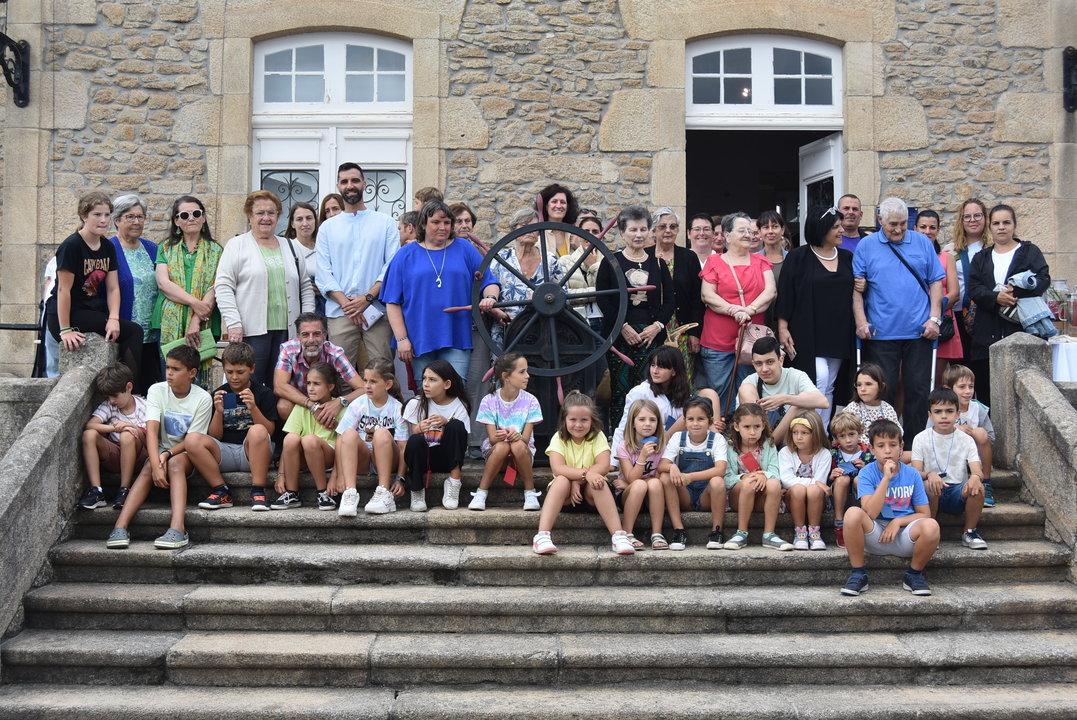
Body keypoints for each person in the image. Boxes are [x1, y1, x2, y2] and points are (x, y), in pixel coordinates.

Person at [853, 196, 944, 448]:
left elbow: (936, 281)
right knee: (884, 393)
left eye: (903, 223)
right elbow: (856, 289)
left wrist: (934, 319)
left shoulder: (922, 243)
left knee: (918, 391)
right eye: (893, 223)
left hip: (919, 332)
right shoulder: (866, 246)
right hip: (880, 334)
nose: (898, 229)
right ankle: (883, 446)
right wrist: (861, 322)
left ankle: (914, 449)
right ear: (880, 219)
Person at [105, 344, 212, 550]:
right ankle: (120, 526)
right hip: (160, 449)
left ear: (192, 373)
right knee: (147, 467)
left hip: (186, 451)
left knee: (175, 464)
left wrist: (167, 456)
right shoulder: (156, 390)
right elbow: (151, 431)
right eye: (168, 367)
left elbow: (192, 439)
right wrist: (155, 463)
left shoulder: (202, 398)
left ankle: (178, 529)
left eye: (176, 369)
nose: (169, 373)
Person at [382, 200, 500, 382]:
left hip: (456, 336)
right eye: (436, 222)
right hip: (418, 337)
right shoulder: (405, 255)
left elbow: (488, 281)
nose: (442, 227)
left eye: (446, 223)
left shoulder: (465, 249)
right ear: (423, 224)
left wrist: (490, 297)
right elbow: (392, 302)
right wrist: (402, 339)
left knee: (455, 390)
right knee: (426, 394)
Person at [215, 190, 315, 389]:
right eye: (260, 213)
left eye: (271, 213)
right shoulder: (237, 245)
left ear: (278, 215)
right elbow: (224, 286)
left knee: (282, 386)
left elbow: (305, 286)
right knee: (248, 385)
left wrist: (307, 322)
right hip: (251, 332)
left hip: (287, 333)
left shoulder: (290, 246)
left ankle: (274, 421)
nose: (266, 218)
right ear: (250, 216)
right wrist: (233, 323)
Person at [47, 191, 144, 380]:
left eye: (107, 215)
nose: (103, 220)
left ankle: (124, 389)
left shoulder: (107, 247)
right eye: (97, 215)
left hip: (89, 310)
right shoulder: (72, 245)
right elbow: (62, 290)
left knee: (127, 330)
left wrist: (114, 318)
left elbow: (112, 288)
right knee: (133, 331)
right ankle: (126, 388)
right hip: (65, 314)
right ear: (84, 216)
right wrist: (65, 329)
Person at [840, 419, 941, 597]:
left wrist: (898, 521)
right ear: (872, 449)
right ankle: (858, 573)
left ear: (901, 447)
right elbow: (870, 512)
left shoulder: (912, 474)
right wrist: (886, 479)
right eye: (881, 445)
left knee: (932, 526)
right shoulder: (866, 473)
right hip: (875, 534)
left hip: (904, 535)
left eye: (893, 445)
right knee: (852, 514)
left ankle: (914, 574)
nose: (887, 450)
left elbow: (925, 514)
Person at [776, 205, 856, 428]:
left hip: (839, 332)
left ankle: (822, 434)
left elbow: (857, 290)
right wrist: (782, 328)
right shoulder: (798, 257)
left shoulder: (848, 257)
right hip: (808, 332)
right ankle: (808, 430)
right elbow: (785, 293)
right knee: (817, 380)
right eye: (836, 227)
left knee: (829, 385)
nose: (842, 230)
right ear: (822, 229)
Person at [316, 162, 400, 371]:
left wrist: (366, 298)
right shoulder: (327, 228)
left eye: (354, 180)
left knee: (383, 371)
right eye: (344, 182)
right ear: (338, 186)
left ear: (364, 183)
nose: (350, 185)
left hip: (376, 310)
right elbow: (323, 272)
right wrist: (347, 304)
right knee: (338, 374)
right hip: (340, 312)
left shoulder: (385, 223)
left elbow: (391, 267)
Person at [596, 205, 674, 430]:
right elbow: (604, 299)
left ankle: (646, 436)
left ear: (650, 231)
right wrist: (623, 326)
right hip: (620, 337)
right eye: (633, 230)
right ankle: (619, 439)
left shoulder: (658, 263)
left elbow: (669, 299)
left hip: (650, 337)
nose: (638, 235)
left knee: (647, 387)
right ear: (622, 233)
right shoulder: (610, 261)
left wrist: (657, 326)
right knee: (620, 388)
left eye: (643, 229)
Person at [968, 203, 1051, 409]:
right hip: (987, 333)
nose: (1001, 227)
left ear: (1014, 225)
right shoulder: (981, 257)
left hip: (1022, 328)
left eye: (1006, 222)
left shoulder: (1030, 251)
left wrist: (1016, 292)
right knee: (988, 394)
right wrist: (996, 297)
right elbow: (974, 288)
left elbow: (1043, 279)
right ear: (990, 227)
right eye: (996, 223)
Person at [533, 391, 635, 555]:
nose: (578, 425)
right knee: (561, 480)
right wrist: (585, 475)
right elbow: (558, 468)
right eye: (573, 419)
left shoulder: (598, 436)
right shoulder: (558, 438)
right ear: (564, 419)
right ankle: (542, 536)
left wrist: (579, 481)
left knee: (598, 482)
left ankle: (618, 535)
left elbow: (603, 465)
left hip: (592, 495)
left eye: (584, 420)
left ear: (592, 420)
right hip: (564, 498)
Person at [699, 213, 776, 415]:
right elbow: (707, 295)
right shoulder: (714, 262)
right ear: (727, 235)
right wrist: (734, 310)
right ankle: (723, 437)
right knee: (721, 393)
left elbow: (770, 292)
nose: (748, 235)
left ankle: (747, 437)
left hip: (752, 343)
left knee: (750, 391)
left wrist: (749, 310)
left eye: (751, 231)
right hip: (718, 341)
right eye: (742, 231)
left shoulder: (761, 261)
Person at [186, 342, 277, 511]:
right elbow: (214, 436)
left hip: (253, 453)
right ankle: (221, 491)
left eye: (240, 372)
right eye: (229, 372)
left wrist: (254, 408)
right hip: (225, 451)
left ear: (252, 369)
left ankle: (258, 490)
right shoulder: (219, 393)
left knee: (257, 430)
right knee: (192, 439)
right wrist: (218, 412)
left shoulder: (264, 393)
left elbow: (269, 432)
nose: (234, 377)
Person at [152, 195, 221, 388]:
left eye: (196, 213)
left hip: (204, 322)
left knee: (197, 380)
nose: (191, 218)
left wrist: (196, 319)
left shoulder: (217, 251)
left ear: (204, 217)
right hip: (169, 322)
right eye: (184, 215)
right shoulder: (165, 248)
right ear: (176, 221)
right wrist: (195, 304)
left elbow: (215, 287)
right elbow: (164, 284)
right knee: (171, 378)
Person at [912, 388, 988, 550]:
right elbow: (916, 472)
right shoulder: (921, 438)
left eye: (949, 411)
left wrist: (975, 477)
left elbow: (977, 469)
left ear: (958, 414)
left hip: (956, 491)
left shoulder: (966, 440)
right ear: (930, 415)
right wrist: (930, 474)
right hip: (930, 493)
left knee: (978, 487)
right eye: (938, 412)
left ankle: (969, 532)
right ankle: (930, 531)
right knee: (928, 484)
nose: (944, 416)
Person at [334, 358, 409, 517]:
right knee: (347, 433)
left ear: (387, 384)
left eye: (373, 381)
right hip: (362, 461)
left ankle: (383, 492)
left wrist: (400, 478)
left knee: (381, 433)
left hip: (387, 460)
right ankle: (350, 493)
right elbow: (341, 439)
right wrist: (338, 475)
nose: (367, 386)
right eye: (365, 380)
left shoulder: (397, 408)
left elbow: (403, 447)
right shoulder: (358, 404)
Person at [469, 353, 543, 511]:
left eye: (526, 371)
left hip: (521, 455)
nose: (528, 376)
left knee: (516, 445)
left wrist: (517, 436)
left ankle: (530, 492)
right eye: (522, 372)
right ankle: (481, 493)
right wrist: (500, 436)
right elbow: (493, 439)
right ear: (506, 376)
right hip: (498, 456)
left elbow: (526, 439)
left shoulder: (531, 401)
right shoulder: (488, 400)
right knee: (503, 446)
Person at [657, 396, 728, 551]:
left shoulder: (717, 439)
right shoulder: (677, 437)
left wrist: (690, 477)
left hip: (706, 495)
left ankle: (717, 531)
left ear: (709, 420)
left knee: (717, 481)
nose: (695, 423)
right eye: (690, 419)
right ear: (685, 420)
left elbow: (720, 469)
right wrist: (672, 468)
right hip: (684, 493)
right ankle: (678, 530)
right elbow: (662, 465)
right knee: (664, 476)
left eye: (701, 419)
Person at [273, 361, 345, 511]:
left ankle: (323, 493)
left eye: (316, 384)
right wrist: (281, 474)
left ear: (330, 387)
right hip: (305, 457)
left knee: (309, 439)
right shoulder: (302, 406)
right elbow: (288, 446)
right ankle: (292, 493)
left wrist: (334, 477)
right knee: (291, 438)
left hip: (329, 456)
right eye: (309, 383)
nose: (310, 388)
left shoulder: (339, 408)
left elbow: (343, 446)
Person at [402, 360, 471, 511]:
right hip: (424, 458)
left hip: (448, 457)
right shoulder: (416, 403)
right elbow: (411, 436)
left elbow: (462, 438)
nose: (426, 384)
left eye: (432, 380)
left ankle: (454, 481)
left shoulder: (460, 404)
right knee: (414, 440)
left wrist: (446, 422)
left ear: (447, 384)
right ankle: (417, 490)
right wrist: (419, 428)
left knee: (455, 425)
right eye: (425, 378)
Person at [489, 207, 563, 348]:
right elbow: (488, 291)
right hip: (506, 331)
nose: (529, 230)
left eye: (534, 226)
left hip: (543, 332)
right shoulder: (501, 259)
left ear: (539, 233)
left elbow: (563, 294)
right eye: (524, 226)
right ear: (514, 229)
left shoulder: (550, 260)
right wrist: (498, 313)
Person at [108, 194, 160, 391]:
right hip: (125, 331)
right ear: (117, 220)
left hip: (153, 333)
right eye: (130, 217)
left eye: (140, 217)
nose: (137, 222)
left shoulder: (152, 249)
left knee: (152, 385)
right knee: (129, 385)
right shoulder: (109, 248)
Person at [273, 313, 365, 424]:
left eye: (316, 334)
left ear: (324, 335)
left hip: (327, 402)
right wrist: (310, 405)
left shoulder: (334, 353)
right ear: (298, 337)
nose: (311, 340)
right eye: (305, 335)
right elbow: (279, 387)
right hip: (299, 400)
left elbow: (363, 389)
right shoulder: (288, 350)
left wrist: (340, 401)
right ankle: (297, 437)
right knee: (284, 406)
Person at [736, 337, 828, 447]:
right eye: (759, 364)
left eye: (770, 362)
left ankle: (767, 448)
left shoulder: (796, 375)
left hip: (792, 441)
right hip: (758, 437)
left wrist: (784, 399)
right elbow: (742, 422)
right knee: (746, 388)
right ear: (753, 364)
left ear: (781, 360)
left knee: (800, 404)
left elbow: (823, 402)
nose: (764, 369)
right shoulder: (751, 381)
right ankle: (763, 448)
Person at [722, 403, 791, 550]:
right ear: (736, 426)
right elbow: (726, 478)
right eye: (747, 427)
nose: (752, 432)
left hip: (761, 497)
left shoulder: (768, 445)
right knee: (749, 483)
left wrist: (764, 475)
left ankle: (769, 534)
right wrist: (746, 477)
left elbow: (775, 472)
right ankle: (741, 532)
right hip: (738, 496)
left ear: (763, 426)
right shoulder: (729, 446)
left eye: (757, 427)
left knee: (774, 484)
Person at [79, 363, 147, 512]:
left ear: (129, 387)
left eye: (115, 396)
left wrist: (131, 428)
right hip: (115, 455)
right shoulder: (110, 406)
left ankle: (124, 489)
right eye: (108, 397)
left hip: (137, 457)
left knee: (127, 436)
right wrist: (114, 427)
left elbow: (149, 439)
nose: (111, 401)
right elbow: (90, 425)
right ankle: (97, 490)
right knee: (89, 435)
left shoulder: (145, 406)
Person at [653, 207, 704, 386]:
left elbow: (697, 298)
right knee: (656, 376)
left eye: (673, 226)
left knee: (682, 378)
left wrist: (694, 333)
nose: (668, 230)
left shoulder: (688, 257)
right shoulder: (647, 257)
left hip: (681, 331)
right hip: (654, 329)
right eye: (662, 226)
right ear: (654, 230)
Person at [614, 398, 667, 550]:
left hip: (651, 495)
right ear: (633, 423)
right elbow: (631, 478)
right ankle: (627, 532)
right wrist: (643, 456)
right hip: (629, 495)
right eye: (642, 419)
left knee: (655, 483)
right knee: (639, 484)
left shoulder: (662, 446)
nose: (647, 424)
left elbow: (658, 474)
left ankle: (657, 533)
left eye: (652, 420)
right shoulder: (624, 446)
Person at [915, 209, 962, 383]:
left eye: (932, 227)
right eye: (923, 227)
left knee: (936, 379)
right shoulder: (908, 256)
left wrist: (934, 313)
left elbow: (955, 293)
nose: (928, 231)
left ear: (938, 230)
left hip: (942, 321)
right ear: (915, 228)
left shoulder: (946, 257)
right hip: (914, 321)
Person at [942, 364, 996, 507]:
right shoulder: (941, 408)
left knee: (982, 433)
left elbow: (991, 438)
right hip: (947, 456)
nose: (967, 391)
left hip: (974, 457)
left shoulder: (978, 409)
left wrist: (972, 433)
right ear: (948, 389)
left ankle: (986, 483)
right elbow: (929, 433)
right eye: (962, 387)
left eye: (970, 387)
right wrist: (955, 429)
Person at [777, 410, 832, 551]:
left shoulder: (824, 454)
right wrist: (815, 483)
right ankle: (800, 533)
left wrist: (817, 483)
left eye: (804, 433)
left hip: (816, 498)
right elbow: (787, 480)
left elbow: (820, 481)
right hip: (794, 497)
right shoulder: (785, 452)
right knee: (799, 488)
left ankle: (814, 533)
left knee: (814, 489)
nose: (798, 437)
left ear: (816, 434)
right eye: (795, 433)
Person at [951, 198, 990, 393]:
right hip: (960, 315)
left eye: (977, 215)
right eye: (967, 216)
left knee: (984, 370)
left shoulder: (993, 247)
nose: (973, 220)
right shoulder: (951, 250)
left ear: (985, 218)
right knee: (964, 370)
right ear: (961, 220)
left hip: (987, 314)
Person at [828, 411, 874, 549]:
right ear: (836, 438)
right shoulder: (833, 453)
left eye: (851, 434)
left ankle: (867, 519)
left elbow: (877, 476)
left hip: (859, 495)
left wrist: (865, 468)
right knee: (842, 480)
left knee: (859, 479)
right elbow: (824, 479)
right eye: (842, 436)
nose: (848, 440)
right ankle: (839, 523)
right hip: (838, 494)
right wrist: (831, 476)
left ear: (860, 433)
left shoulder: (867, 453)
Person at [844, 362, 901, 446]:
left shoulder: (888, 409)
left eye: (868, 384)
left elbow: (897, 434)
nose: (862, 389)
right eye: (859, 385)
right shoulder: (852, 409)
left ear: (881, 386)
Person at [284, 201, 322, 315]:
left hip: (325, 307)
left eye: (309, 218)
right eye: (299, 219)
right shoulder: (288, 248)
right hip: (298, 307)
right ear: (292, 223)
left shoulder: (324, 247)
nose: (305, 223)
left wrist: (324, 290)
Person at [537, 183, 580, 256]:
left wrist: (579, 247)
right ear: (546, 206)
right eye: (554, 201)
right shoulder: (537, 233)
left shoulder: (575, 234)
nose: (559, 206)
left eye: (563, 202)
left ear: (568, 207)